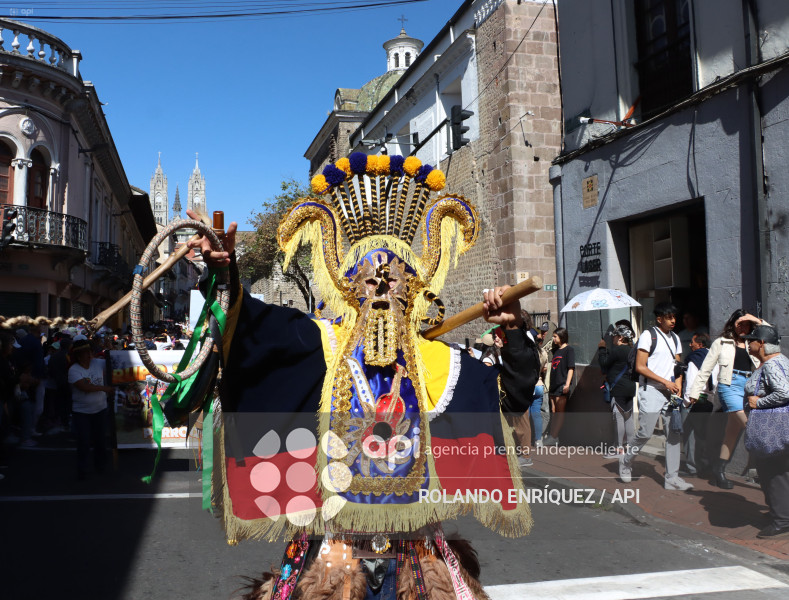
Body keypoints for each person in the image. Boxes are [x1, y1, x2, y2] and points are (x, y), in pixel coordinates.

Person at [182, 155, 536, 599]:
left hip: (417, 561)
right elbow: (252, 329)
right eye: (371, 281)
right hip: (333, 557)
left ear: (415, 291)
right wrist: (223, 273)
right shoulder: (320, 346)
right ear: (346, 287)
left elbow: (511, 397)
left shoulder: (436, 364)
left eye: (394, 281)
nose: (383, 289)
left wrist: (514, 330)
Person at [688, 309, 766, 489]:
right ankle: (771, 469)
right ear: (733, 324)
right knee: (751, 427)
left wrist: (755, 319)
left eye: (747, 324)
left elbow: (773, 336)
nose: (743, 327)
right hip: (728, 386)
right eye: (740, 323)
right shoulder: (721, 343)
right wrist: (694, 392)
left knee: (731, 433)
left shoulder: (753, 342)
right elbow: (705, 369)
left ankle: (719, 470)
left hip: (747, 387)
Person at [621, 302, 692, 490]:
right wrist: (665, 382)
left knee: (674, 433)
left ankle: (671, 478)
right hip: (651, 390)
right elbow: (640, 367)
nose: (673, 321)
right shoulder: (648, 336)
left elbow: (678, 368)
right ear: (659, 318)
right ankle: (626, 461)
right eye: (669, 317)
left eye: (674, 317)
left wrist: (677, 387)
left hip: (670, 393)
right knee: (645, 432)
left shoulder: (676, 338)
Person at [742, 325, 789, 538]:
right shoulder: (782, 361)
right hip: (781, 428)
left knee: (773, 473)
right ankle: (779, 513)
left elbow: (784, 392)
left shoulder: (771, 365)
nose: (747, 344)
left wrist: (759, 402)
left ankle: (781, 520)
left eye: (751, 340)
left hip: (773, 429)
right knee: (779, 472)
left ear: (761, 343)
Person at [68, 339, 114, 480]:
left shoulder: (97, 363)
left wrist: (110, 349)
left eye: (90, 352)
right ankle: (82, 469)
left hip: (100, 409)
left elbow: (112, 362)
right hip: (82, 412)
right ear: (79, 356)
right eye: (86, 353)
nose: (89, 355)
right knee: (84, 441)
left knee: (100, 440)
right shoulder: (74, 370)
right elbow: (84, 387)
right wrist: (104, 388)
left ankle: (101, 466)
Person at [598, 324, 637, 458]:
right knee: (629, 418)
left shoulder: (617, 350)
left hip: (618, 388)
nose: (613, 339)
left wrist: (602, 349)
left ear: (620, 338)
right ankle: (630, 448)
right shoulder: (633, 350)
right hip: (630, 387)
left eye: (614, 337)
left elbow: (604, 365)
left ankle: (619, 449)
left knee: (619, 418)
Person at [681, 332, 717, 477]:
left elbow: (690, 382)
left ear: (700, 345)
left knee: (689, 435)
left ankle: (692, 468)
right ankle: (705, 465)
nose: (690, 344)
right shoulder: (714, 358)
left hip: (693, 400)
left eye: (693, 342)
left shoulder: (694, 359)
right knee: (703, 434)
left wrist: (686, 402)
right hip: (709, 400)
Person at [545, 327, 574, 445]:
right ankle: (552, 435)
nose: (553, 338)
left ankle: (554, 435)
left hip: (562, 384)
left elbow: (571, 368)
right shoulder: (556, 350)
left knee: (559, 412)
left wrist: (567, 384)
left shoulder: (569, 350)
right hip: (553, 384)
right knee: (553, 411)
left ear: (561, 337)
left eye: (555, 336)